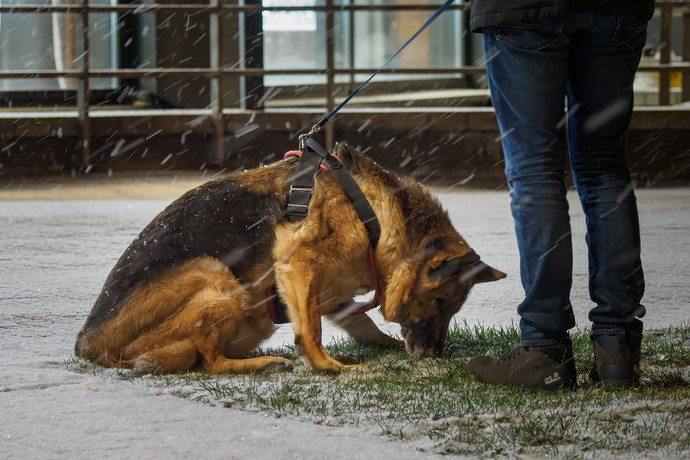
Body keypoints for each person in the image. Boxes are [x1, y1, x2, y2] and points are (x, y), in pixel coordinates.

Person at [466, 0, 653, 390]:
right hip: (613, 12)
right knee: (604, 164)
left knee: (534, 170)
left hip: (522, 11)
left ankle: (544, 347)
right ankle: (617, 347)